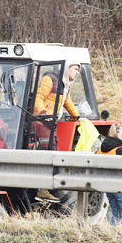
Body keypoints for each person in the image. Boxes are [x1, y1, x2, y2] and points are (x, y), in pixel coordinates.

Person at [34, 60, 81, 201]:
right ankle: (41, 190)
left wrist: (77, 116)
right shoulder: (50, 79)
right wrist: (43, 114)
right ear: (66, 68)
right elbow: (38, 98)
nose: (77, 72)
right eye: (75, 68)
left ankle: (49, 187)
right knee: (48, 153)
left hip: (50, 122)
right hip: (42, 122)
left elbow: (67, 102)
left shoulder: (64, 85)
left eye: (79, 70)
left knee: (54, 150)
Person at [97, 124, 122, 226]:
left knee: (115, 213)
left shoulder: (101, 150)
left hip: (107, 185)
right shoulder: (120, 150)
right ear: (116, 133)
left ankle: (113, 233)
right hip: (120, 185)